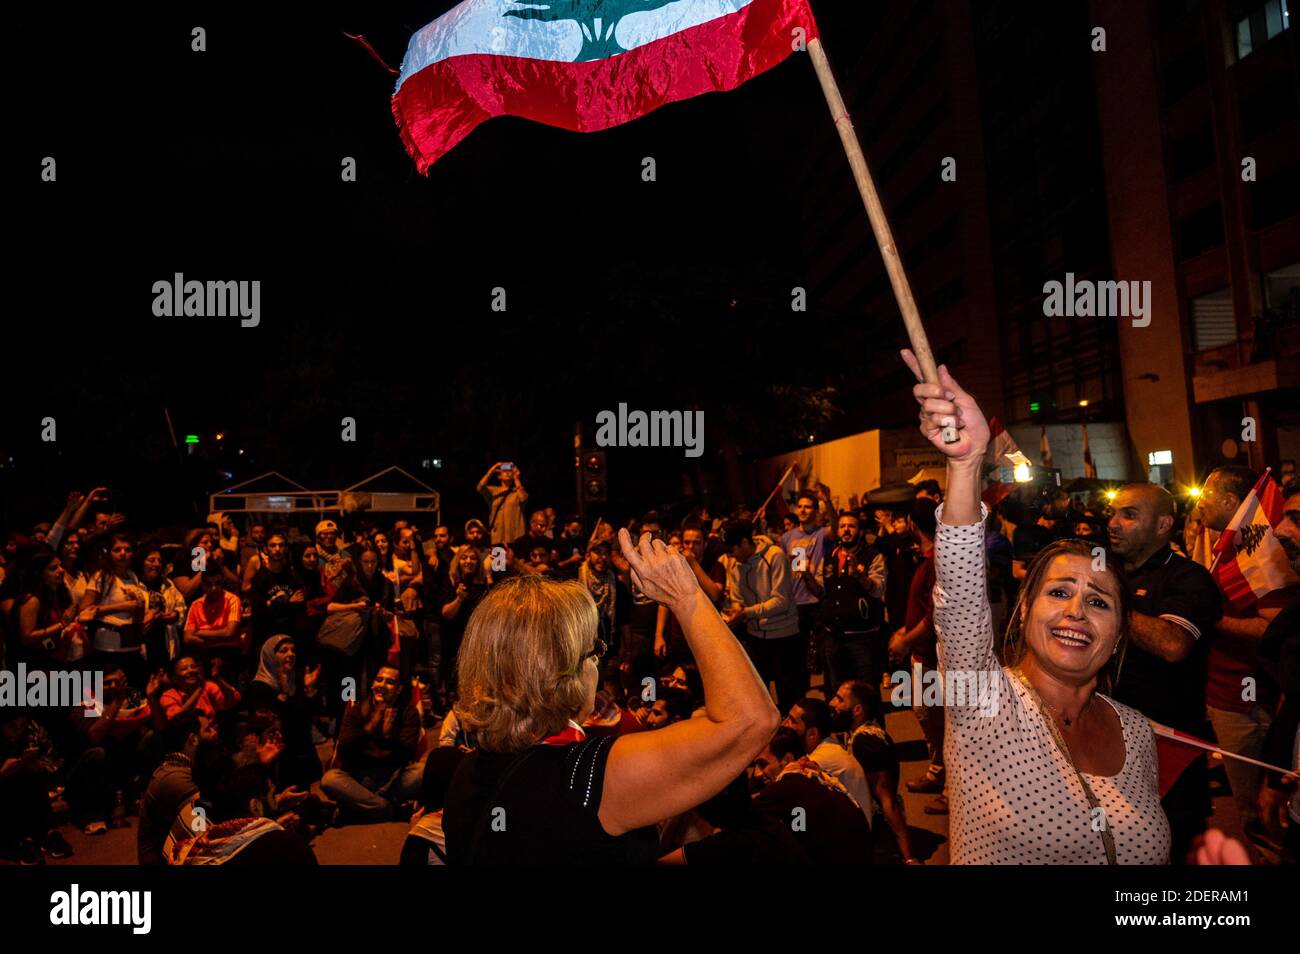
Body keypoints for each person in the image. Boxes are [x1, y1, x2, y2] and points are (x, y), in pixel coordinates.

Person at [905, 348, 1170, 863]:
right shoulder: (982, 701)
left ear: (1119, 632)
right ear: (1023, 612)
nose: (1076, 610)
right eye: (1058, 592)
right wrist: (965, 466)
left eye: (1098, 601)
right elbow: (959, 600)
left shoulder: (1136, 731)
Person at [442, 532, 779, 864]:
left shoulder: (466, 771)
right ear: (562, 671)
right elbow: (751, 720)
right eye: (594, 650)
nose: (598, 664)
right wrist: (687, 598)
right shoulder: (588, 778)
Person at [1107, 482, 1223, 861]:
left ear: (1162, 525)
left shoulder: (1188, 578)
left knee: (1171, 850)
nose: (1114, 523)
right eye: (1113, 512)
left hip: (1167, 747)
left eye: (1129, 514)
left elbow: (1173, 645)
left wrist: (1107, 606)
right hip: (1108, 744)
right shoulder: (1109, 572)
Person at [1199, 465, 1295, 853]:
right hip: (1228, 693)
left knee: (1262, 815)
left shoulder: (1257, 555)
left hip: (1246, 702)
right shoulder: (1222, 544)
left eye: (1205, 495)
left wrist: (1212, 620)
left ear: (1229, 502)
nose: (1198, 503)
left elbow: (1274, 628)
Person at [889, 497, 945, 814]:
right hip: (922, 653)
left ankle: (952, 788)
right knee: (927, 715)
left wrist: (904, 642)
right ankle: (937, 773)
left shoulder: (938, 560)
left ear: (911, 523)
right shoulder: (928, 557)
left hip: (932, 655)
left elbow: (935, 616)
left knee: (936, 719)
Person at [719, 518, 804, 709]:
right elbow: (737, 598)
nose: (730, 555)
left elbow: (781, 601)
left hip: (784, 635)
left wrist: (746, 612)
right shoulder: (735, 564)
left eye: (731, 549)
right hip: (755, 636)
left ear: (744, 543)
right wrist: (734, 611)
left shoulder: (775, 556)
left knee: (789, 695)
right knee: (759, 696)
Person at [321, 666, 424, 822]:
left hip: (393, 777)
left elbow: (408, 753)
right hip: (359, 778)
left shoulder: (408, 712)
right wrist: (369, 728)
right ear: (372, 685)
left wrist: (388, 737)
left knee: (422, 772)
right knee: (330, 780)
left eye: (390, 682)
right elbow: (343, 750)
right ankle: (390, 810)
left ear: (399, 689)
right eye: (379, 680)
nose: (382, 685)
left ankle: (359, 808)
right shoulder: (356, 711)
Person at [833, 679, 917, 864]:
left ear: (857, 710)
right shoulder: (855, 731)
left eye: (840, 700)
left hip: (870, 826)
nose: (832, 703)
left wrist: (910, 858)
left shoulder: (868, 742)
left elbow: (887, 801)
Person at [819, 511, 887, 696]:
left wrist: (860, 576)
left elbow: (878, 589)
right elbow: (821, 590)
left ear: (860, 531)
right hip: (833, 637)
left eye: (851, 526)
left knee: (867, 694)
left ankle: (872, 726)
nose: (846, 530)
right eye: (842, 526)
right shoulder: (829, 557)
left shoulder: (873, 556)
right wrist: (805, 576)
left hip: (862, 639)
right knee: (838, 695)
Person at [244, 635, 324, 789]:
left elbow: (306, 718)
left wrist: (308, 690)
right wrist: (284, 691)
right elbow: (276, 722)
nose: (290, 654)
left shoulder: (297, 680)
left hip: (300, 754)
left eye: (293, 650)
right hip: (276, 760)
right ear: (270, 656)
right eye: (283, 651)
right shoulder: (259, 687)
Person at [79, 533, 149, 686]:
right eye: (117, 550)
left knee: (132, 693)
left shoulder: (132, 576)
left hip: (131, 643)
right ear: (109, 553)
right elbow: (84, 610)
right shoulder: (101, 577)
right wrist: (120, 607)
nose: (123, 553)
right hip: (108, 646)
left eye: (127, 549)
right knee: (109, 693)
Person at [137, 713, 205, 865]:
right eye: (208, 730)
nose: (216, 733)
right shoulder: (174, 778)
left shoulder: (181, 769)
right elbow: (206, 823)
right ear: (193, 739)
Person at [477, 461, 529, 546]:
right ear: (499, 476)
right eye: (505, 471)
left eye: (510, 471)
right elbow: (480, 487)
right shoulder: (493, 491)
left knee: (516, 559)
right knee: (498, 559)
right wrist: (492, 470)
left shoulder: (518, 491)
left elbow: (523, 498)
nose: (508, 473)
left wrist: (516, 478)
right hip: (498, 537)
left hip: (515, 538)